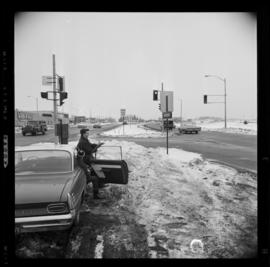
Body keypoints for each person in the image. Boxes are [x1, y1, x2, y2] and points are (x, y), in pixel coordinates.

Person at [76, 128, 105, 199]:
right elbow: (90, 151)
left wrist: (96, 145)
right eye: (87, 133)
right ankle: (97, 192)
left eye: (88, 133)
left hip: (88, 158)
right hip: (87, 160)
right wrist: (96, 147)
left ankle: (100, 184)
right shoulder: (82, 142)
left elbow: (90, 145)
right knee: (98, 169)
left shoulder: (85, 140)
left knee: (98, 169)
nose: (88, 134)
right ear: (83, 134)